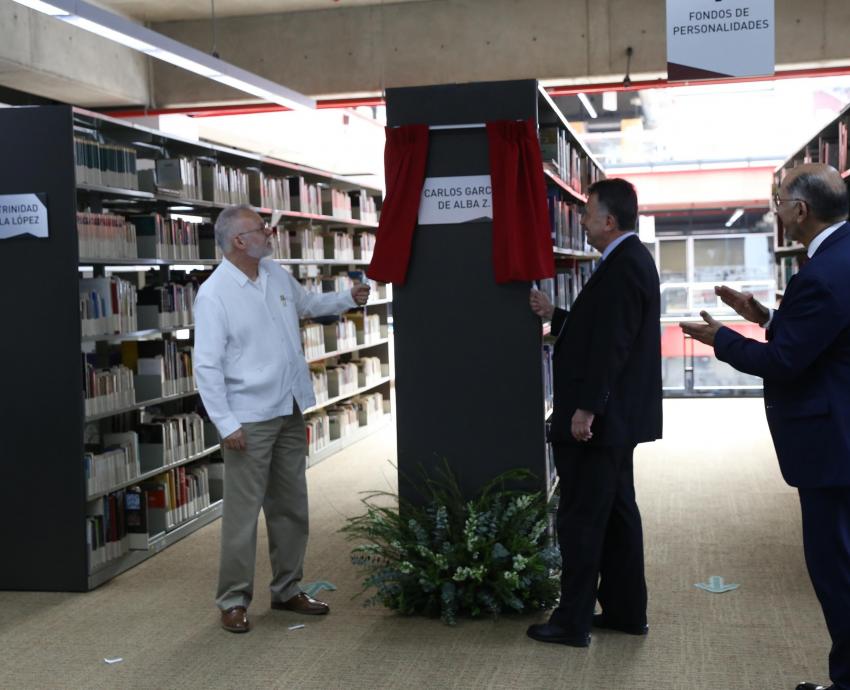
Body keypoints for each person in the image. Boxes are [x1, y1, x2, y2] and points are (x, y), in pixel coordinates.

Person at [680, 163, 850, 690]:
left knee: (837, 573)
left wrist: (722, 341)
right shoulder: (838, 259)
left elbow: (785, 363)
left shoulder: (822, 273)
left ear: (800, 210)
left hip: (833, 444)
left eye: (778, 202)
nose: (775, 211)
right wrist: (764, 317)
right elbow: (821, 339)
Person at [193, 205, 370, 633]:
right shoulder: (215, 294)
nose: (269, 233)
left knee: (291, 506)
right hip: (248, 418)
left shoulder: (274, 273)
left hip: (289, 406)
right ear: (239, 241)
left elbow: (308, 304)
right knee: (242, 514)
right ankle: (233, 600)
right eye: (261, 228)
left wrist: (348, 298)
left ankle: (288, 589)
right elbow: (207, 366)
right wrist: (226, 422)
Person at [527, 178, 662, 647]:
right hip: (617, 420)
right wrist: (558, 315)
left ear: (609, 220)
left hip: (599, 421)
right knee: (619, 514)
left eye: (586, 213)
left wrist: (585, 409)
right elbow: (600, 328)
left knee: (581, 518)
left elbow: (612, 346)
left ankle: (571, 622)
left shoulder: (623, 266)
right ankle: (627, 611)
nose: (580, 221)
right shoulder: (629, 260)